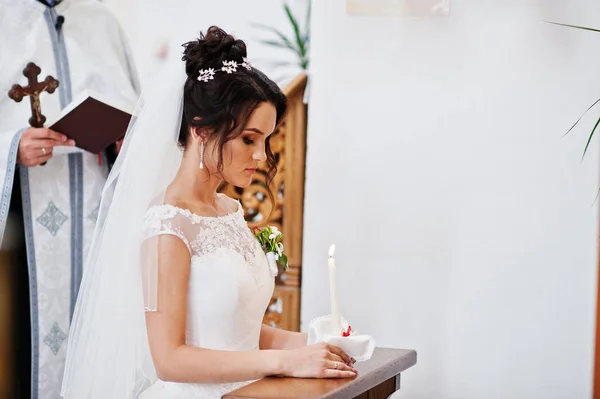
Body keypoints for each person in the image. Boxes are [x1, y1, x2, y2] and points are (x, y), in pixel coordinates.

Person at [60, 26, 356, 399]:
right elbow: (169, 359)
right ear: (200, 130)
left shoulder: (229, 210)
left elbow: (240, 332)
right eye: (249, 139)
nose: (261, 156)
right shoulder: (165, 225)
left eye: (265, 141)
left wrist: (318, 340)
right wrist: (283, 362)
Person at [0, 0, 139, 397]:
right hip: (21, 233)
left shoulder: (102, 23)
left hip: (99, 222)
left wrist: (124, 140)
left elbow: (136, 114)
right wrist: (12, 147)